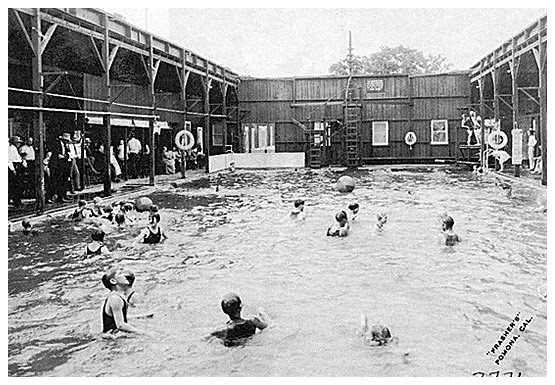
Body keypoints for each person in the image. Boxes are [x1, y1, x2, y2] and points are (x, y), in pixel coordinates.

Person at [100, 267, 143, 335]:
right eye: (120, 274)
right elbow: (120, 325)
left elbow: (119, 316)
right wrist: (141, 332)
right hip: (113, 339)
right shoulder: (115, 298)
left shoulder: (120, 296)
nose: (125, 276)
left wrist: (141, 317)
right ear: (113, 281)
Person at [8, 136, 25, 207]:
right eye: (17, 143)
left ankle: (15, 200)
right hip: (13, 166)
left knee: (15, 185)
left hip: (15, 166)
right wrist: (13, 169)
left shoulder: (14, 148)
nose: (19, 144)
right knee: (15, 185)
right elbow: (10, 160)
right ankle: (16, 201)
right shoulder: (12, 149)